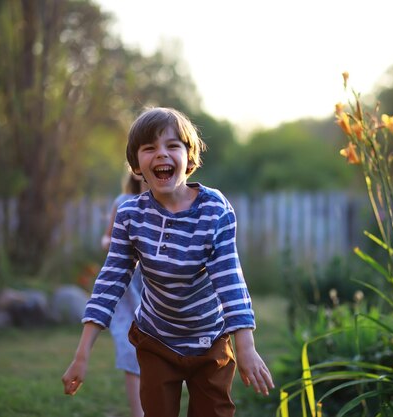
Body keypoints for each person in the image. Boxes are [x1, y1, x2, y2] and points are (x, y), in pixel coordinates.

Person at [62, 107, 274, 417]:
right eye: (150, 148)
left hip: (210, 340)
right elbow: (109, 282)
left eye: (172, 145)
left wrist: (246, 347)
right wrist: (82, 354)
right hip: (156, 339)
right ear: (136, 166)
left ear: (189, 159)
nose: (161, 154)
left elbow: (230, 279)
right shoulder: (130, 215)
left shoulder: (214, 209)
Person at [100, 170, 147, 417]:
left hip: (155, 289)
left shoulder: (168, 205)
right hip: (129, 289)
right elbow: (106, 238)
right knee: (130, 349)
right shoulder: (123, 202)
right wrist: (113, 243)